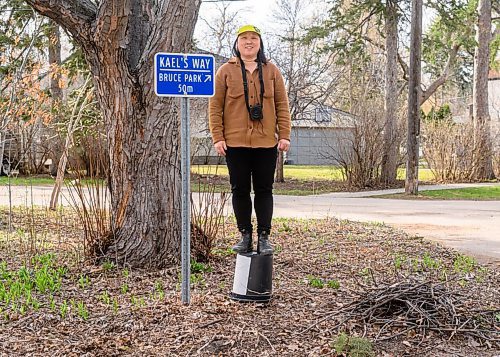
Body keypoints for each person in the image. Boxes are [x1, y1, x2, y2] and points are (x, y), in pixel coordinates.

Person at [209, 24, 291, 255]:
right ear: (237, 43)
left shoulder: (272, 71)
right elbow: (215, 106)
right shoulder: (225, 71)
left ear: (259, 43)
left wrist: (284, 135)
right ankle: (245, 234)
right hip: (235, 143)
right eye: (244, 38)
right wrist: (218, 137)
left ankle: (264, 236)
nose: (249, 42)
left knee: (265, 190)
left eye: (253, 38)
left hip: (266, 142)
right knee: (240, 190)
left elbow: (282, 106)